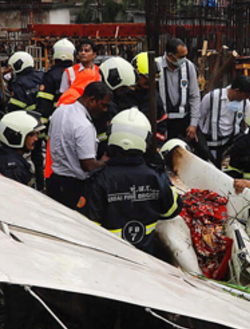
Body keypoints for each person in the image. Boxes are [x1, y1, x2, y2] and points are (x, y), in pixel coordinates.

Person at [78, 107, 180, 254]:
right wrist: (164, 176)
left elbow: (86, 226)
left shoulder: (99, 179)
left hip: (108, 258)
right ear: (146, 139)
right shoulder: (155, 175)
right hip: (146, 258)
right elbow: (172, 209)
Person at [46, 81, 112, 208]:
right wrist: (104, 161)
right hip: (74, 188)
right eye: (103, 105)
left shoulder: (60, 111)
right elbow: (88, 165)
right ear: (92, 100)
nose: (105, 110)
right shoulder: (84, 126)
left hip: (54, 181)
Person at [198, 75, 250, 165]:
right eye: (245, 95)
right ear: (237, 91)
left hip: (230, 145)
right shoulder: (212, 97)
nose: (246, 98)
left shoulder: (245, 103)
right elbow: (200, 117)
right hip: (210, 145)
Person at [157, 38, 201, 145]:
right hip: (162, 122)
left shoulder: (188, 66)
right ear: (170, 56)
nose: (184, 59)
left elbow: (194, 96)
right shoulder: (156, 65)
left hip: (183, 122)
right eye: (181, 56)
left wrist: (193, 124)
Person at [118, 53, 169, 145]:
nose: (150, 82)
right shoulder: (123, 95)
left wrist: (156, 144)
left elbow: (161, 123)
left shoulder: (154, 96)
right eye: (146, 78)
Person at [0, 110, 46, 190]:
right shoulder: (13, 170)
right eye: (31, 135)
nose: (36, 139)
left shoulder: (5, 161)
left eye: (37, 134)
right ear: (15, 137)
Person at [34, 39, 75, 121]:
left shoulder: (50, 76)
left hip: (56, 118)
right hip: (76, 118)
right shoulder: (78, 73)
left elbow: (44, 103)